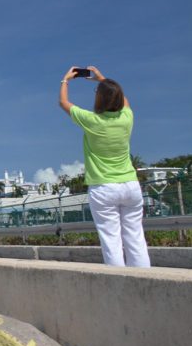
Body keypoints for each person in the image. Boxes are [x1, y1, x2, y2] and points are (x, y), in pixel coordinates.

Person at [59, 66, 150, 267]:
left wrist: (65, 80)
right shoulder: (127, 118)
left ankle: (119, 287)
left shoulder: (92, 121)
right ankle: (145, 280)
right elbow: (123, 100)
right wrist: (102, 79)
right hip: (130, 185)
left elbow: (63, 103)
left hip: (103, 188)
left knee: (111, 241)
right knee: (136, 238)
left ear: (99, 99)